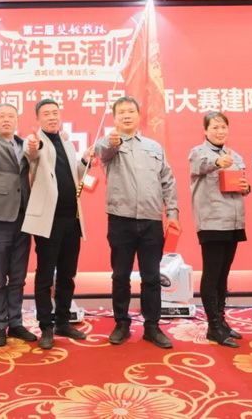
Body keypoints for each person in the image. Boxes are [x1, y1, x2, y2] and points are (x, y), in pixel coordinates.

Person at [95, 96, 180, 349]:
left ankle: (152, 327)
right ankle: (121, 323)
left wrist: (172, 213)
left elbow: (168, 181)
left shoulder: (154, 147)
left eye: (130, 111)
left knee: (151, 277)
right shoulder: (110, 144)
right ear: (114, 118)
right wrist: (111, 142)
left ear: (138, 115)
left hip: (151, 219)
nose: (126, 115)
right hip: (120, 219)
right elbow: (102, 151)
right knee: (120, 275)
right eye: (121, 112)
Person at [22, 98, 93, 350]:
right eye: (46, 114)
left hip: (71, 218)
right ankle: (46, 326)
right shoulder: (36, 140)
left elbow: (74, 175)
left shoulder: (66, 141)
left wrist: (84, 161)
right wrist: (33, 146)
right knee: (45, 275)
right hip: (48, 220)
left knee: (67, 274)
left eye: (55, 112)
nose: (52, 117)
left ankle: (63, 321)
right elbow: (31, 153)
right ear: (38, 119)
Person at [188, 111, 250, 348]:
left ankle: (221, 321)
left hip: (233, 221)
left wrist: (245, 187)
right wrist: (217, 163)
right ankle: (213, 326)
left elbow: (242, 184)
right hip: (212, 221)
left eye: (223, 126)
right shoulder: (198, 152)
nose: (220, 131)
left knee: (224, 275)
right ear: (205, 131)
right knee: (212, 274)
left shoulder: (235, 155)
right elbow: (201, 165)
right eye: (214, 127)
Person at [0, 103, 37, 347]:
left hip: (23, 216)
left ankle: (16, 323)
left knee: (19, 277)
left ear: (17, 120)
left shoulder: (25, 144)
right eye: (1, 116)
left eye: (11, 116)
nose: (6, 120)